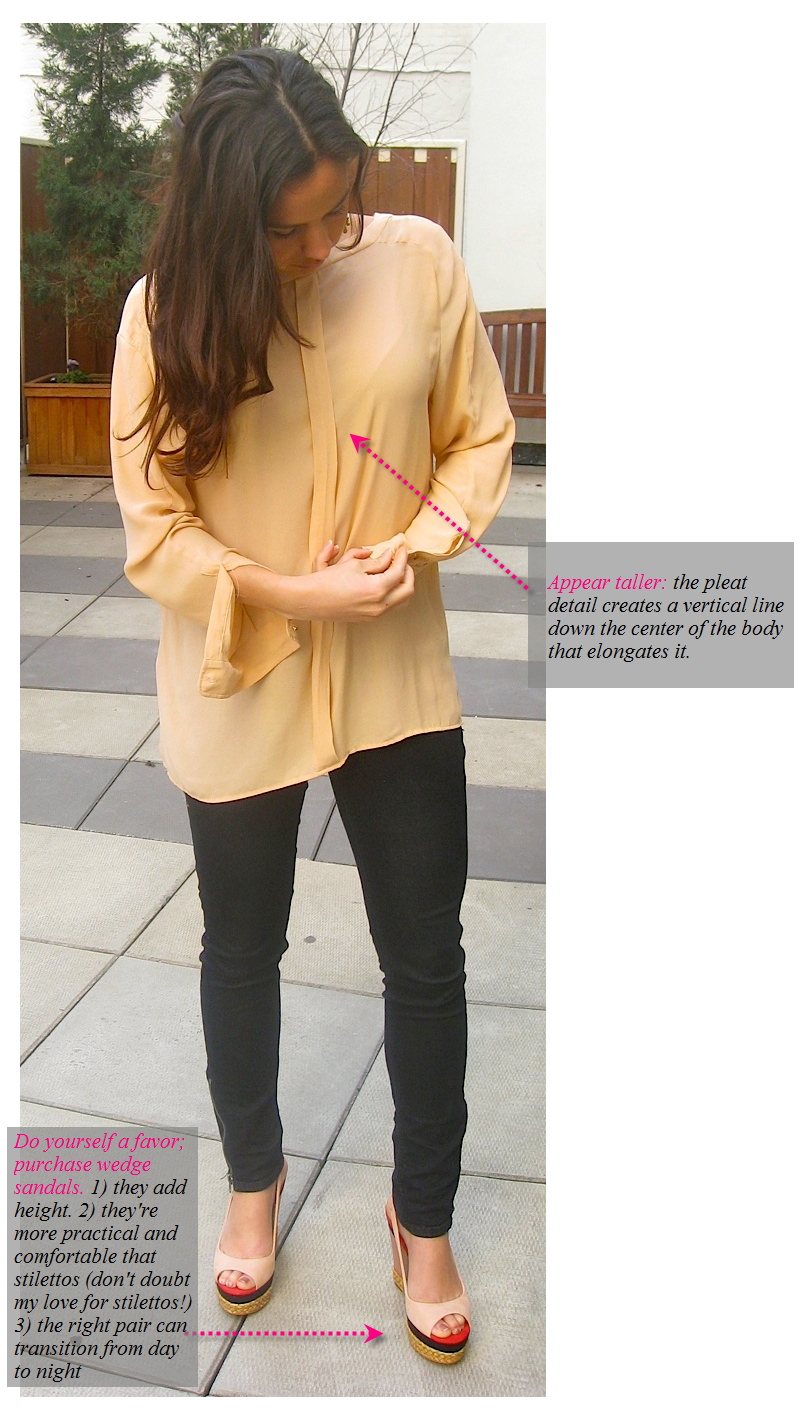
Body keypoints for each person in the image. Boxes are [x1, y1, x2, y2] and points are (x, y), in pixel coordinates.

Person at [110, 47, 514, 1366]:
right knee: (240, 948)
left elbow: (477, 434)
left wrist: (418, 544)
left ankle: (423, 1216)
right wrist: (291, 591)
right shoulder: (161, 315)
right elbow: (154, 528)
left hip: (394, 673)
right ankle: (253, 1181)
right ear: (225, 220)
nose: (325, 243)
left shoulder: (419, 263)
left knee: (426, 954)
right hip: (243, 676)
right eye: (291, 229)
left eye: (341, 210)